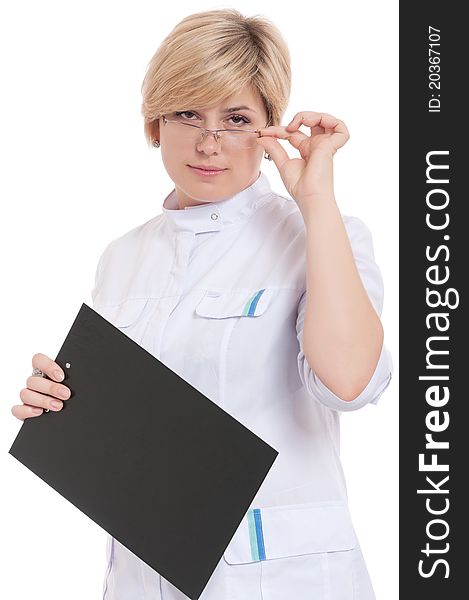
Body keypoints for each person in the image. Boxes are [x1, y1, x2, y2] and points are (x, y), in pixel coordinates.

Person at [11, 8, 393, 600]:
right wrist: (61, 404)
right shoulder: (122, 256)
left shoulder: (321, 234)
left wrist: (315, 200)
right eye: (188, 113)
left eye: (236, 118)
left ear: (270, 132)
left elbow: (349, 383)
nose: (209, 141)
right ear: (156, 122)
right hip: (142, 578)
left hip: (282, 582)